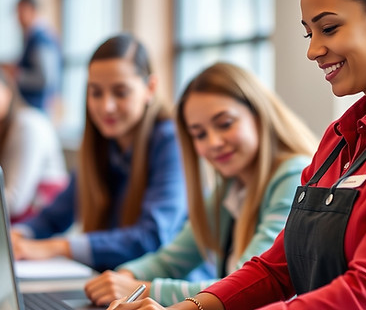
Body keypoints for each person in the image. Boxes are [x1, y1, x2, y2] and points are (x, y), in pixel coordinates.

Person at [107, 0, 366, 309]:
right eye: (309, 34)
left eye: (328, 28)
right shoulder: (339, 137)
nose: (313, 50)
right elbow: (278, 269)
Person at [84, 62, 318, 306]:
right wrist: (126, 276)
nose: (214, 142)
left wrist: (144, 290)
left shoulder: (294, 175)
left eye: (225, 124)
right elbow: (170, 259)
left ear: (259, 115)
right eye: (199, 134)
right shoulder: (232, 185)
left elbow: (246, 285)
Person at [10, 33, 189, 273]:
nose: (106, 106)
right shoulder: (102, 143)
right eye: (96, 92)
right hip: (110, 282)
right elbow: (56, 215)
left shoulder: (170, 140)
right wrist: (17, 236)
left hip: (168, 294)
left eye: (120, 92)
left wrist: (58, 247)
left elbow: (152, 236)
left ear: (150, 87)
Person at [0, 68, 67, 223]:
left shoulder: (28, 124)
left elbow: (14, 202)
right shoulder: (6, 127)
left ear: (9, 91)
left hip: (42, 223)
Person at [1, 0, 62, 111]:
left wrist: (15, 75)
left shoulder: (41, 39)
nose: (18, 18)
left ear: (32, 10)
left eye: (21, 12)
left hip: (36, 107)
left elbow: (44, 78)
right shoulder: (32, 37)